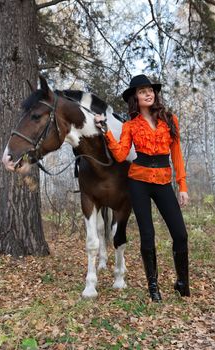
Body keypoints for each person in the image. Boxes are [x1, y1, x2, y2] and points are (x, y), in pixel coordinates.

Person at [94, 74, 190, 302]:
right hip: (139, 181)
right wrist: (106, 130)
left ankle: (182, 282)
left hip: (164, 181)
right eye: (142, 91)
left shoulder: (169, 119)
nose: (148, 93)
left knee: (180, 234)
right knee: (148, 235)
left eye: (150, 90)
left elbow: (176, 154)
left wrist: (182, 185)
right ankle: (153, 287)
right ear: (135, 98)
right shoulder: (130, 125)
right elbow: (119, 153)